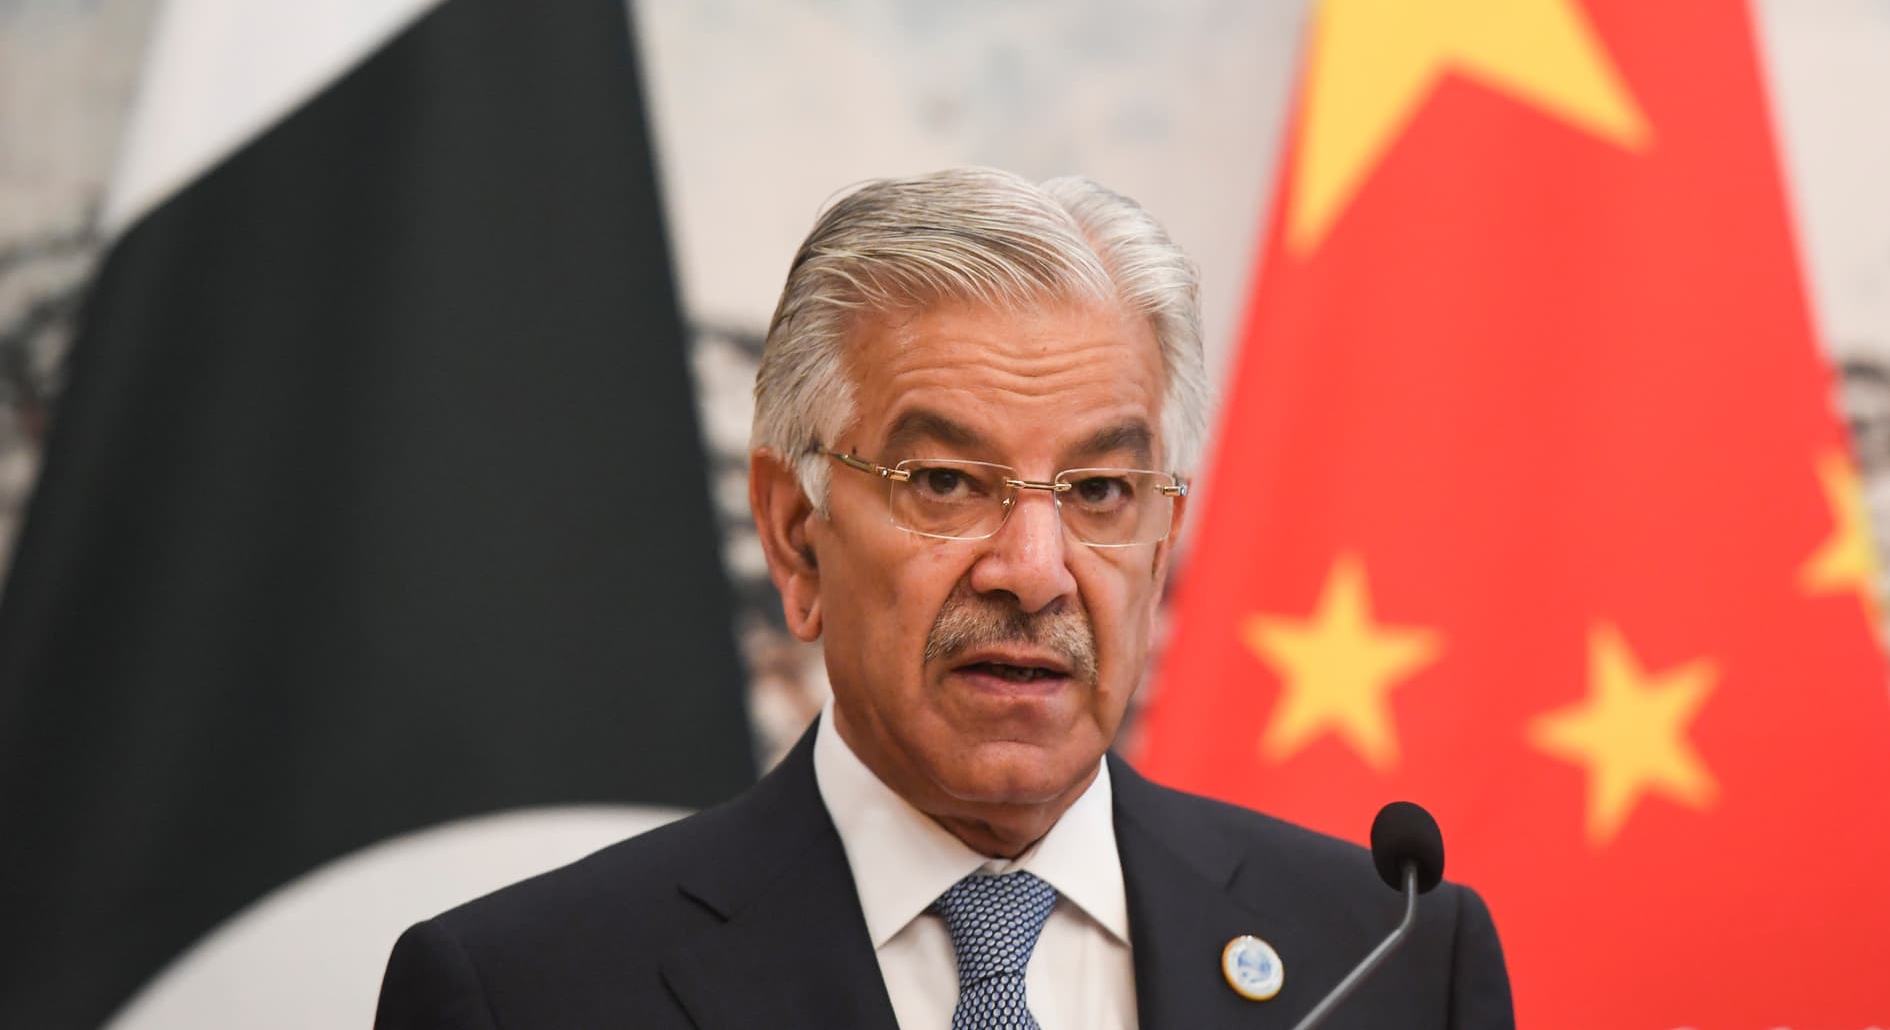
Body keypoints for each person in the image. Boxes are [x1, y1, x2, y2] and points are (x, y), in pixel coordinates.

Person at [373, 167, 1514, 1029]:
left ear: (1164, 535)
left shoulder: (1394, 954)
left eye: (1103, 489)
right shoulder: (525, 995)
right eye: (946, 483)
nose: (1033, 566)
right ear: (797, 537)